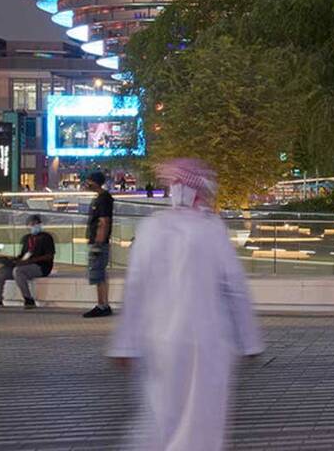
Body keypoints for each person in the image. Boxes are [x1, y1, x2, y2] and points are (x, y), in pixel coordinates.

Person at [107, 158, 262, 450]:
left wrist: (125, 346)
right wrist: (249, 342)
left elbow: (135, 288)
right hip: (208, 343)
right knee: (202, 419)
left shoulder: (151, 228)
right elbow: (235, 288)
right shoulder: (211, 230)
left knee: (160, 415)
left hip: (160, 341)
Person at [0, 213, 58, 307]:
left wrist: (29, 261)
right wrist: (12, 261)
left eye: (36, 223)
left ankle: (28, 299)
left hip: (41, 267)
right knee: (1, 272)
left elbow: (49, 256)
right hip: (25, 264)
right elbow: (23, 255)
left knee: (18, 271)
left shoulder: (46, 237)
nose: (34, 226)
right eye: (32, 224)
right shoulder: (27, 238)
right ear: (28, 226)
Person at [84, 168, 115, 318]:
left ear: (95, 182)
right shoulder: (101, 198)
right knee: (98, 274)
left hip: (99, 243)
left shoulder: (103, 199)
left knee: (98, 274)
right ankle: (103, 304)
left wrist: (98, 243)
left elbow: (104, 222)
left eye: (89, 181)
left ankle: (102, 305)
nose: (86, 184)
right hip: (97, 242)